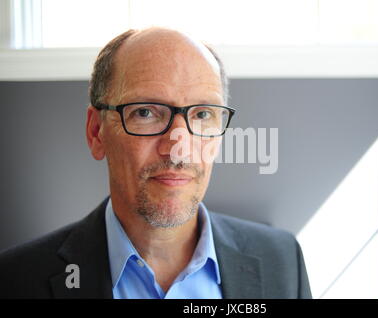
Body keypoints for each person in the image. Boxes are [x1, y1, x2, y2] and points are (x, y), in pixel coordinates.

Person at [0, 27, 311, 299]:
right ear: (97, 132)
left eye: (202, 114)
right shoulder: (16, 281)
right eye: (146, 112)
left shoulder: (281, 261)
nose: (178, 148)